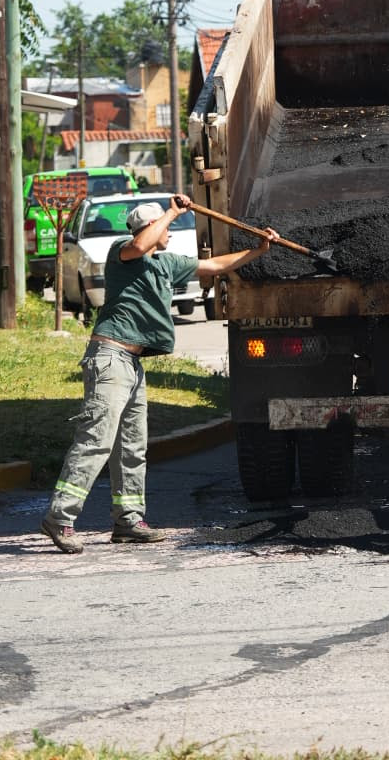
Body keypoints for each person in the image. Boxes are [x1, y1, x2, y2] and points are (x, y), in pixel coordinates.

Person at [41, 194, 279, 554]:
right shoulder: (123, 253)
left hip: (132, 365)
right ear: (152, 227)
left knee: (132, 447)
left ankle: (128, 520)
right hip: (110, 358)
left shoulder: (165, 264)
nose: (169, 232)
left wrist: (260, 250)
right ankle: (60, 517)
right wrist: (170, 212)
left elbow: (214, 266)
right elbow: (140, 243)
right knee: (96, 440)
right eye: (163, 227)